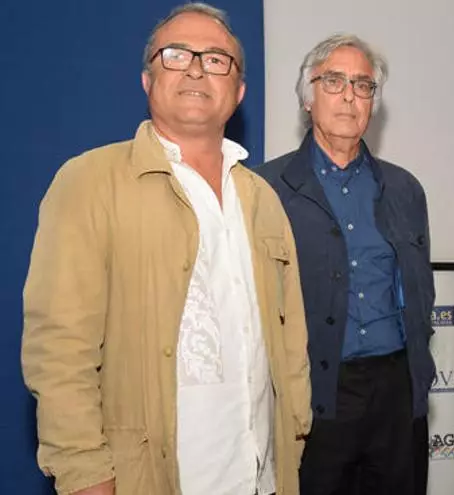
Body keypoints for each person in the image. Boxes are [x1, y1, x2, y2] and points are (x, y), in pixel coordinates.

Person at [21, 4, 311, 494]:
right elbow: (59, 351)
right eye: (176, 54)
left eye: (216, 59)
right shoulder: (89, 183)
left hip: (261, 478)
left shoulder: (262, 198)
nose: (196, 69)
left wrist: (295, 436)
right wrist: (85, 474)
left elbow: (291, 340)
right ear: (147, 79)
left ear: (239, 91)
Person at [257, 34, 435, 495]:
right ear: (307, 97)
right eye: (334, 81)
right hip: (314, 391)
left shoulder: (404, 189)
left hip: (396, 393)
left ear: (373, 103)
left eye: (362, 85)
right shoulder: (265, 189)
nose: (349, 96)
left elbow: (420, 293)